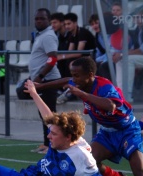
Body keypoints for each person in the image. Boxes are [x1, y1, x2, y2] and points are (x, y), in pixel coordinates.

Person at [28, 8, 61, 155]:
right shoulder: (41, 35)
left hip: (48, 79)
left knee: (49, 114)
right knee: (43, 113)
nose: (39, 21)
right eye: (37, 19)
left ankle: (52, 145)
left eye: (42, 19)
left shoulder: (48, 36)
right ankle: (47, 142)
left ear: (49, 20)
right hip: (42, 79)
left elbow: (53, 58)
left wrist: (39, 77)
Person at [56, 12, 96, 105]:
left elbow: (78, 53)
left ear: (75, 23)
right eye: (65, 24)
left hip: (90, 58)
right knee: (62, 62)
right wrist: (62, 57)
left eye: (69, 24)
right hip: (82, 58)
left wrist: (62, 56)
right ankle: (64, 88)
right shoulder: (71, 34)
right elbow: (70, 51)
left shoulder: (82, 32)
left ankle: (71, 91)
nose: (67, 26)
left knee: (70, 63)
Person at [50, 12, 70, 79]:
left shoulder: (70, 33)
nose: (52, 25)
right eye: (51, 23)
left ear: (62, 22)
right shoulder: (55, 35)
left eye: (55, 22)